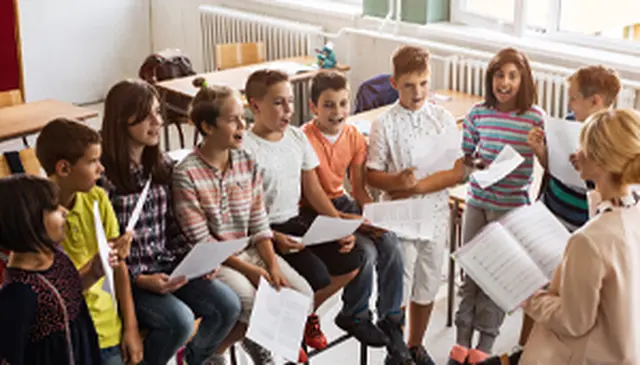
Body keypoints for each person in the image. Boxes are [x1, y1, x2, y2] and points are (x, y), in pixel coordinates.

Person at [242, 69, 389, 349]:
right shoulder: (246, 148)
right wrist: (271, 236)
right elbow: (245, 210)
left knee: (353, 258)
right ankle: (282, 326)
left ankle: (302, 316)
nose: (288, 110)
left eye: (289, 101)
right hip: (267, 228)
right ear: (255, 106)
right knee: (318, 276)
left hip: (297, 221)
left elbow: (313, 190)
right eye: (278, 103)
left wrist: (338, 227)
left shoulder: (297, 138)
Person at [100, 79, 242, 365]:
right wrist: (142, 278)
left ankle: (195, 359)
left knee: (228, 305)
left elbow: (173, 227)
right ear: (122, 119)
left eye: (158, 113)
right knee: (179, 321)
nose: (157, 122)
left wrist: (197, 261)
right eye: (146, 114)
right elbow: (106, 252)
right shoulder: (104, 179)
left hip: (166, 267)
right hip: (131, 281)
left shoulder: (162, 166)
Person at [172, 77, 313, 364]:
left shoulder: (247, 161)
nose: (243, 127)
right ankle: (210, 352)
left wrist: (272, 265)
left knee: (303, 295)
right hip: (218, 261)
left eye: (243, 118)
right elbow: (203, 242)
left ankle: (247, 343)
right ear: (208, 127)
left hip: (249, 250)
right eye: (233, 121)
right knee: (252, 302)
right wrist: (250, 270)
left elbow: (259, 221)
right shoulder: (186, 174)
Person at [302, 70, 411, 364]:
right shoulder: (304, 139)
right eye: (328, 105)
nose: (337, 112)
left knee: (388, 240)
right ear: (313, 107)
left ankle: (392, 318)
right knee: (366, 251)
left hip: (340, 201)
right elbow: (314, 195)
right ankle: (354, 313)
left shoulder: (353, 136)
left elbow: (359, 191)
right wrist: (347, 224)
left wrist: (370, 215)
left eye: (342, 103)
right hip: (311, 210)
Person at [366, 45, 466, 365]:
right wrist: (397, 183)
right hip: (401, 218)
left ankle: (415, 345)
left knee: (428, 284)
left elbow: (455, 171)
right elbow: (372, 174)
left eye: (423, 83)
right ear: (394, 84)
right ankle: (396, 350)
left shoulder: (443, 118)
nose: (417, 91)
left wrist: (417, 187)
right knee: (401, 286)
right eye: (409, 85)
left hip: (435, 213)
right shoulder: (385, 123)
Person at [447, 47, 545, 365]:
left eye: (513, 76)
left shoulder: (534, 118)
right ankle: (461, 342)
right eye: (499, 75)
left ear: (523, 80)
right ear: (490, 79)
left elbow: (548, 164)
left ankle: (484, 345)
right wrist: (477, 165)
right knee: (472, 272)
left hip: (511, 209)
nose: (505, 82)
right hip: (478, 201)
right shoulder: (478, 113)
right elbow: (465, 159)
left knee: (496, 280)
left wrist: (539, 150)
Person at [518, 109, 640, 364]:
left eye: (582, 147)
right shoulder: (630, 212)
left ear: (600, 161)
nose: (576, 154)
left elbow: (574, 321)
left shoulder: (587, 241)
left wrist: (531, 297)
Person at [35, 118, 143, 365]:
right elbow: (52, 294)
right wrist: (95, 268)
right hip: (66, 338)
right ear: (64, 169)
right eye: (93, 161)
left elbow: (119, 267)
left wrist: (131, 328)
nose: (101, 169)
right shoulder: (38, 215)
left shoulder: (97, 199)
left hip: (107, 330)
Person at [0, 175, 126, 364]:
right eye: (53, 208)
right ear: (28, 221)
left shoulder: (56, 254)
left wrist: (94, 272)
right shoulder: (19, 292)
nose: (65, 211)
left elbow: (65, 294)